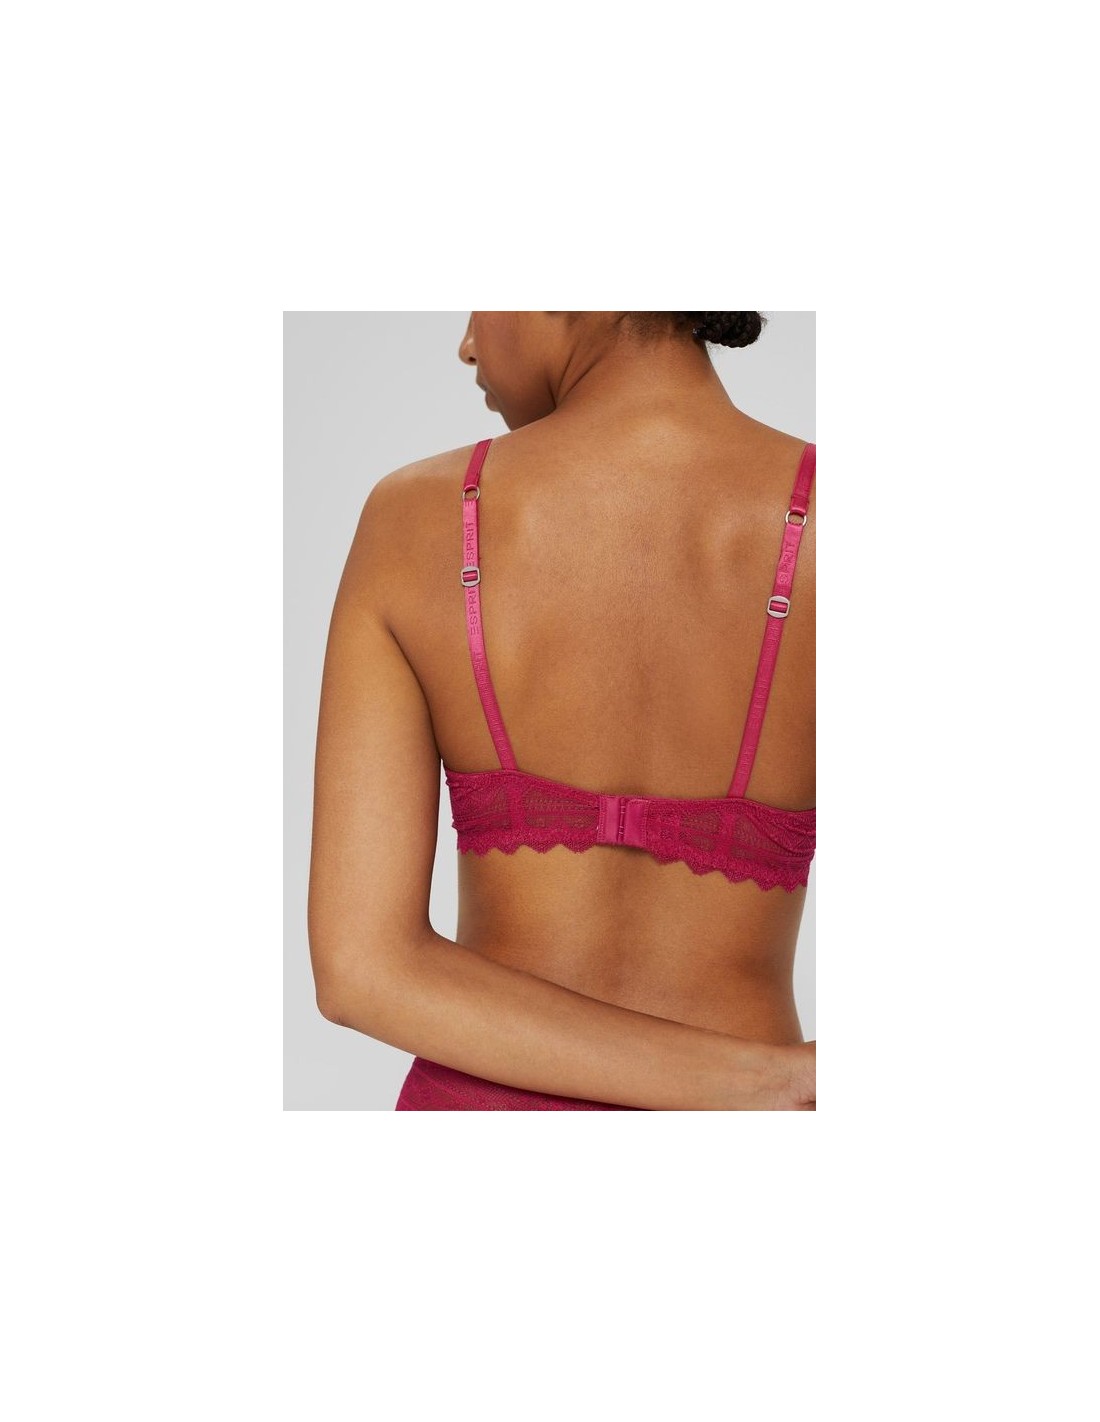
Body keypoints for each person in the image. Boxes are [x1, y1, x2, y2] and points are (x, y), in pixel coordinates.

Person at [307, 311, 816, 1110]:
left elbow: (365, 967)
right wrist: (779, 1081)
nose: (467, 344)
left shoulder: (415, 517)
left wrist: (777, 1085)